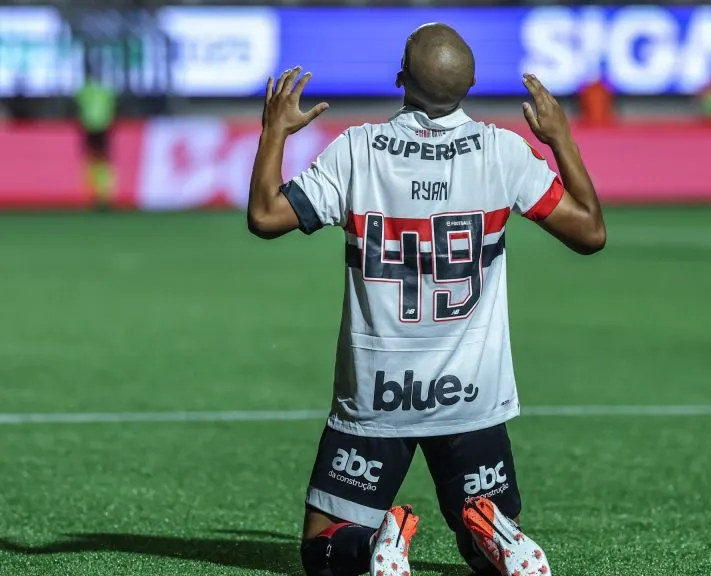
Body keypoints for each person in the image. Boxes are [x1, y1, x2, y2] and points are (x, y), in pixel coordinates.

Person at [248, 24, 605, 576]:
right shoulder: (502, 151)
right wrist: (561, 138)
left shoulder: (359, 150)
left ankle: (376, 545)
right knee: (481, 548)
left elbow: (265, 216)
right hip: (472, 394)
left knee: (323, 550)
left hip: (379, 395)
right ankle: (499, 538)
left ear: (400, 78)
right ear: (471, 85)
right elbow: (590, 233)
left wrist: (275, 130)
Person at [75, 65, 118, 211]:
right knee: (101, 162)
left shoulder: (85, 90)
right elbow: (113, 109)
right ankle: (103, 195)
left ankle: (97, 195)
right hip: (101, 128)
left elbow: (77, 107)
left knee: (93, 162)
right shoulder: (106, 91)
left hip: (91, 128)